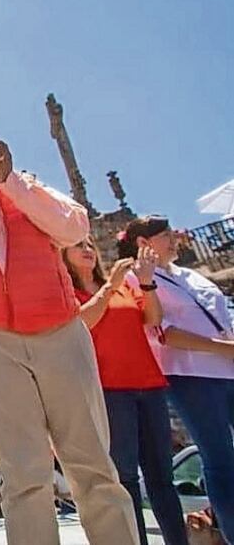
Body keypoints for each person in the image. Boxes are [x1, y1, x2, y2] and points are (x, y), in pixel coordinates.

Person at [0, 119, 137, 545]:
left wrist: (12, 182)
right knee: (23, 472)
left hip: (59, 332)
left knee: (92, 464)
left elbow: (74, 228)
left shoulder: (24, 185)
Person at [63, 234, 189, 545]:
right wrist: (109, 287)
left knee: (162, 477)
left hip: (149, 384)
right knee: (125, 478)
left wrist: (146, 283)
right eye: (79, 245)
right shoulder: (68, 293)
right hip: (110, 390)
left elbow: (153, 318)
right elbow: (82, 323)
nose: (88, 250)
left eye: (91, 244)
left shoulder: (125, 284)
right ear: (63, 255)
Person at [121, 215, 234, 544]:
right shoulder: (136, 278)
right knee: (219, 456)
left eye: (172, 234)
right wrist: (224, 348)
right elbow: (162, 332)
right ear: (144, 243)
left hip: (228, 369)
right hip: (191, 374)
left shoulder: (191, 276)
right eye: (165, 235)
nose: (174, 240)